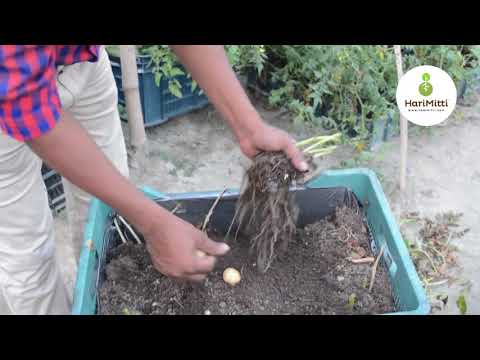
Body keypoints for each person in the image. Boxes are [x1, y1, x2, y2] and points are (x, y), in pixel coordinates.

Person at [0, 45, 308, 315]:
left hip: (82, 61)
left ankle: (93, 286)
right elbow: (30, 111)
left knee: (105, 212)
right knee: (28, 261)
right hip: (8, 97)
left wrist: (249, 126)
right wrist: (154, 225)